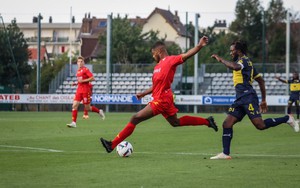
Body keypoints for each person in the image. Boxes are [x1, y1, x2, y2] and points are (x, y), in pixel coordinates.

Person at [100, 36, 218, 153]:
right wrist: (143, 93)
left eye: (153, 53)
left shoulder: (170, 60)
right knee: (175, 123)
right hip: (162, 98)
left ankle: (112, 144)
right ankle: (208, 121)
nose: (153, 56)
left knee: (135, 118)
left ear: (159, 51)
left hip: (161, 100)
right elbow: (156, 86)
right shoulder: (157, 67)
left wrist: (199, 46)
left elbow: (186, 55)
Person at [210, 41, 299, 160]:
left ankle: (287, 118)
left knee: (260, 125)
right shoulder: (247, 64)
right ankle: (225, 153)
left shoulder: (244, 61)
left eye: (232, 51)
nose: (231, 53)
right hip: (240, 99)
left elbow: (235, 67)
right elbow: (261, 81)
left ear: (239, 51)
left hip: (248, 98)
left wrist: (220, 59)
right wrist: (263, 100)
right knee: (227, 123)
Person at [67, 56, 105, 128]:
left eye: (81, 61)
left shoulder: (85, 70)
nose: (80, 63)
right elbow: (80, 81)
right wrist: (76, 83)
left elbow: (92, 78)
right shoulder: (78, 71)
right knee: (74, 105)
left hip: (85, 90)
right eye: (79, 62)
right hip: (79, 90)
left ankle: (99, 111)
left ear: (83, 62)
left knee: (87, 108)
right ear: (77, 63)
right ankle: (74, 122)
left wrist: (83, 81)